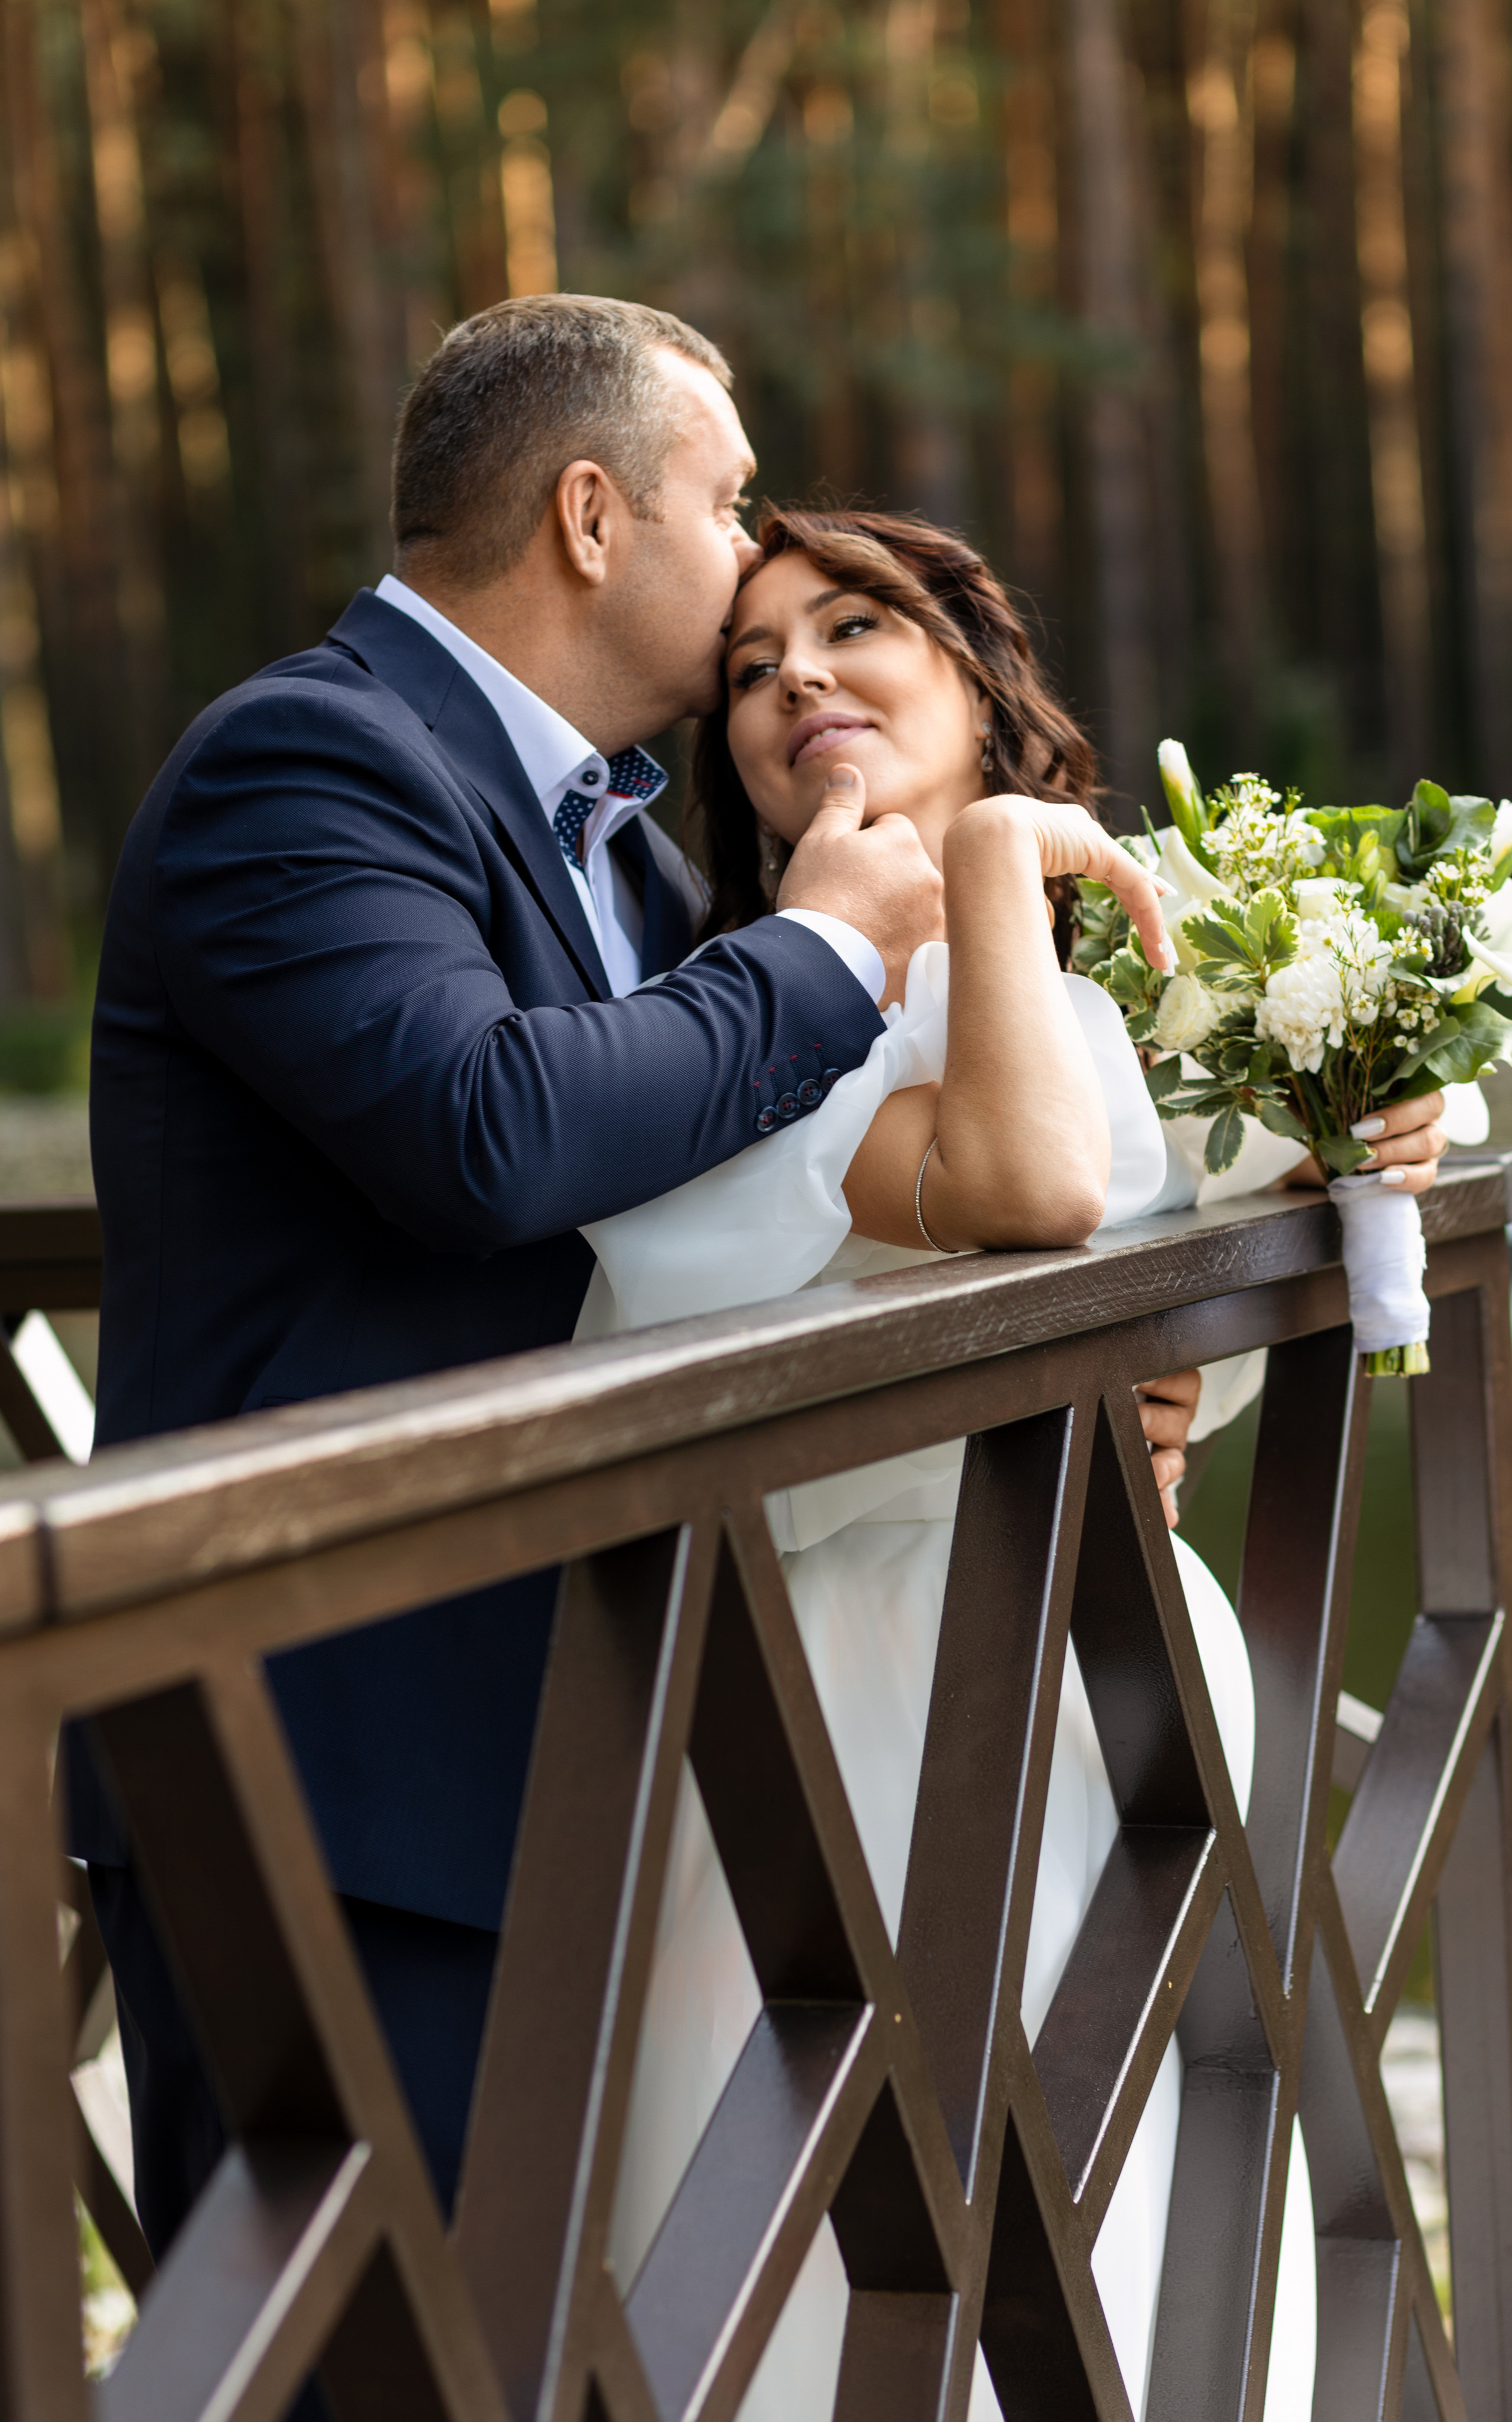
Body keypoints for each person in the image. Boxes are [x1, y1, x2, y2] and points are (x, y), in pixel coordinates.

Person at [68, 299, 958, 2279]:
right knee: (334, 2371)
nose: (753, 556)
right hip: (322, 1756)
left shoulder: (627, 867)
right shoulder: (304, 764)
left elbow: (777, 1188)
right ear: (587, 514)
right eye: (727, 506)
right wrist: (815, 962)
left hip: (572, 1732)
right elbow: (488, 1132)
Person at [577, 507, 1451, 2419]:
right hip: (857, 1699)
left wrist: (1360, 1124)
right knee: (866, 2245)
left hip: (1116, 1659)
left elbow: (1212, 1251)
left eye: (854, 624)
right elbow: (1034, 1193)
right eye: (745, 666)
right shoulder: (738, 1027)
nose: (792, 674)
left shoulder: (1129, 972)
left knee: (1156, 2204)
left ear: (976, 672)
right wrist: (983, 860)